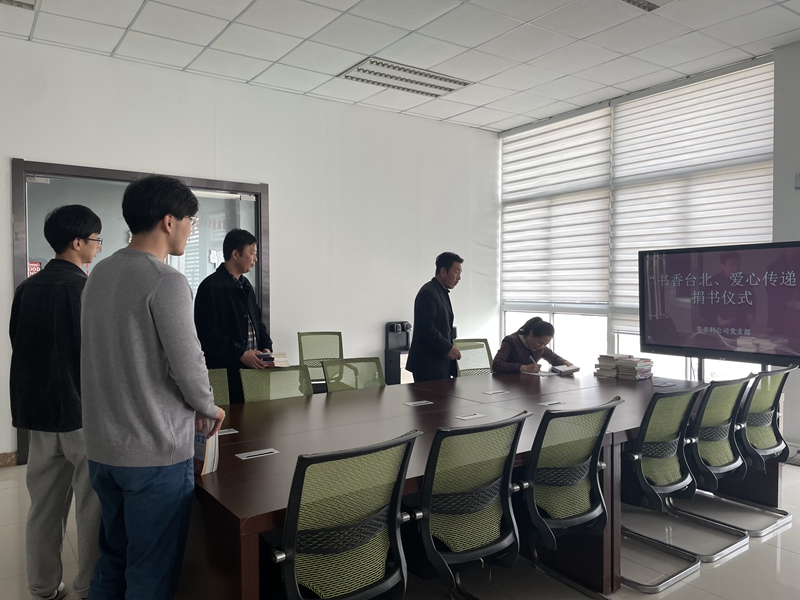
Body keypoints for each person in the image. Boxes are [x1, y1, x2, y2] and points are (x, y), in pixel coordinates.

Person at [80, 175, 225, 600]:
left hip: (103, 450)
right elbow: (188, 364)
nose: (191, 229)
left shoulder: (99, 273)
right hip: (153, 452)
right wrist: (209, 406)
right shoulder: (165, 280)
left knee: (112, 561)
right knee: (151, 573)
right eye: (190, 220)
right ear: (168, 221)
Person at [10, 205, 103, 600]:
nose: (98, 246)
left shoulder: (26, 289)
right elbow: (97, 356)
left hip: (39, 415)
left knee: (44, 506)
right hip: (82, 413)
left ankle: (43, 586)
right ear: (77, 242)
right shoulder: (86, 290)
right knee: (91, 506)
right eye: (96, 239)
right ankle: (88, 586)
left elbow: (18, 343)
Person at [194, 228, 273, 404]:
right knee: (231, 418)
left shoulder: (246, 286)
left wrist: (266, 347)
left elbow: (257, 323)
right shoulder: (210, 286)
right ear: (235, 254)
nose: (255, 259)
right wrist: (241, 353)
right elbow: (207, 333)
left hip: (254, 371)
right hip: (225, 373)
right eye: (252, 253)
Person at [406, 252, 463, 382]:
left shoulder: (440, 292)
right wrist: (447, 348)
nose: (459, 278)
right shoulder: (428, 292)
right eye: (456, 272)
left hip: (439, 363)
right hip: (427, 365)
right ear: (443, 271)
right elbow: (426, 328)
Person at [492, 317, 573, 374]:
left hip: (528, 385)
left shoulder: (541, 348)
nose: (541, 346)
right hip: (507, 384)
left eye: (545, 344)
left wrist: (565, 363)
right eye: (540, 342)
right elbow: (496, 364)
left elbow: (553, 358)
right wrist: (523, 368)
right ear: (531, 333)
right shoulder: (511, 341)